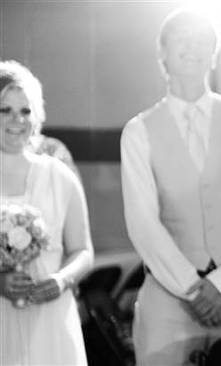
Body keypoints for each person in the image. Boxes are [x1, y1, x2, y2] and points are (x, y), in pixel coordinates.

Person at [120, 9, 221, 365]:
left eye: (202, 39)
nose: (192, 47)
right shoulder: (138, 131)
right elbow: (143, 223)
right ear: (162, 52)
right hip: (167, 298)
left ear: (215, 53)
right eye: (181, 39)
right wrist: (192, 288)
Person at [0, 61, 94, 364]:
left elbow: (83, 250)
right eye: (5, 110)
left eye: (25, 110)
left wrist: (61, 280)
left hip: (51, 318)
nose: (17, 120)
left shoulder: (58, 175)